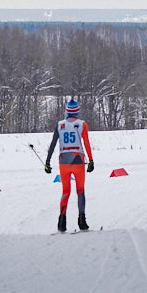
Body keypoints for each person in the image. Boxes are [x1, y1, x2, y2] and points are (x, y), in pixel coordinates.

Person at [44, 98, 95, 232]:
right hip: (78, 161)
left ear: (67, 111)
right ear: (77, 111)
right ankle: (82, 221)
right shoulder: (82, 124)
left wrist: (47, 162)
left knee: (65, 191)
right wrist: (91, 160)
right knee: (80, 190)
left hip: (63, 162)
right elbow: (87, 144)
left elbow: (53, 144)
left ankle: (61, 221)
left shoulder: (59, 124)